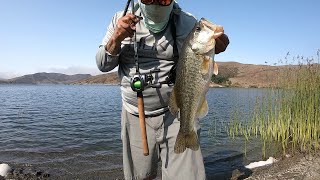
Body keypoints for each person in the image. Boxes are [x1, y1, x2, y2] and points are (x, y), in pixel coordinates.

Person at [96, 0, 229, 179]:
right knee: (140, 176)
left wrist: (219, 45)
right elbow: (102, 65)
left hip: (175, 113)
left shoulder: (187, 22)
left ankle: (186, 133)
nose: (157, 3)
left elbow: (198, 62)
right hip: (134, 114)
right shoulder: (120, 19)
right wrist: (116, 38)